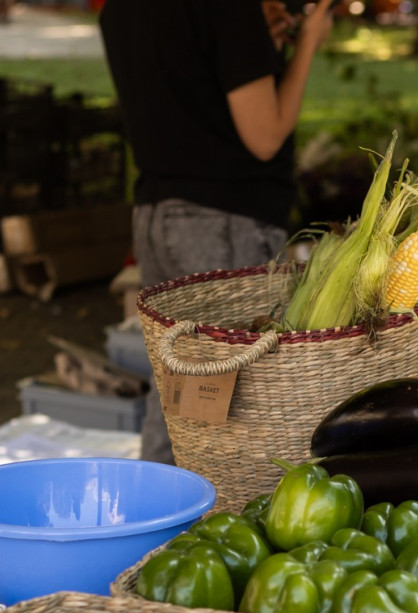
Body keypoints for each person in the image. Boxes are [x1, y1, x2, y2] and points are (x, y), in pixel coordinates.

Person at [99, 0, 338, 464]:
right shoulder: (230, 8)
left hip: (156, 215)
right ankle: (210, 528)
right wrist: (308, 41)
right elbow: (264, 136)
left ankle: (164, 528)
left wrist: (260, 44)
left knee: (174, 395)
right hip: (219, 222)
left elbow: (191, 92)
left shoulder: (118, 10)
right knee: (226, 410)